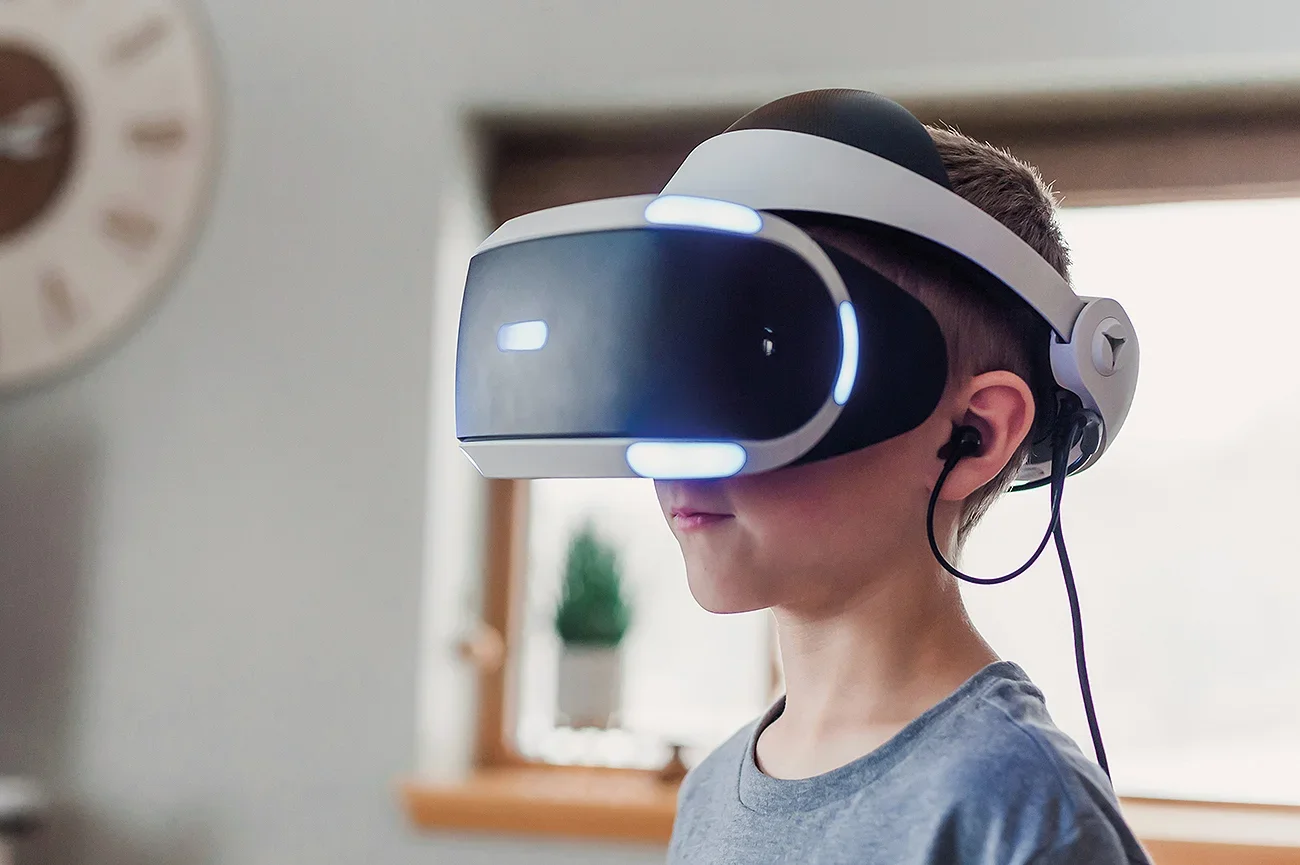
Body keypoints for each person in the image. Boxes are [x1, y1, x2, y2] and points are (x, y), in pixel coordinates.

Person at [659, 102, 1152, 864]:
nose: (679, 438)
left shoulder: (1018, 808)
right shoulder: (712, 791)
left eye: (762, 363)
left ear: (974, 437)